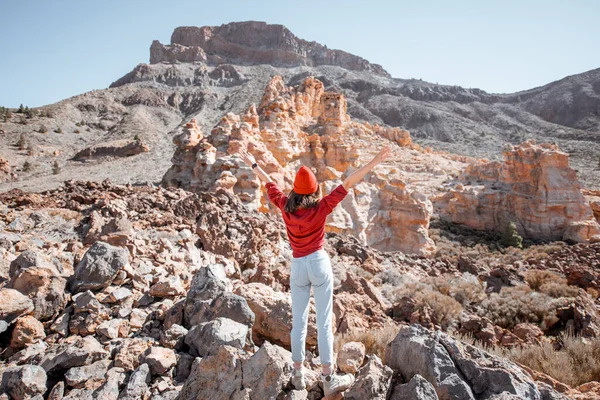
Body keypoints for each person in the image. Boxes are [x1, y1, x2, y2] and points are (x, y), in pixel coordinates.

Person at [238, 146, 390, 396]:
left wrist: (254, 165)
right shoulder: (321, 208)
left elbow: (269, 183)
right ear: (314, 190)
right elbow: (348, 182)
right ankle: (328, 377)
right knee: (323, 322)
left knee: (298, 323)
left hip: (297, 266)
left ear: (296, 191)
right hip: (319, 264)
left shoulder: (285, 205)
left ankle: (297, 375)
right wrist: (373, 161)